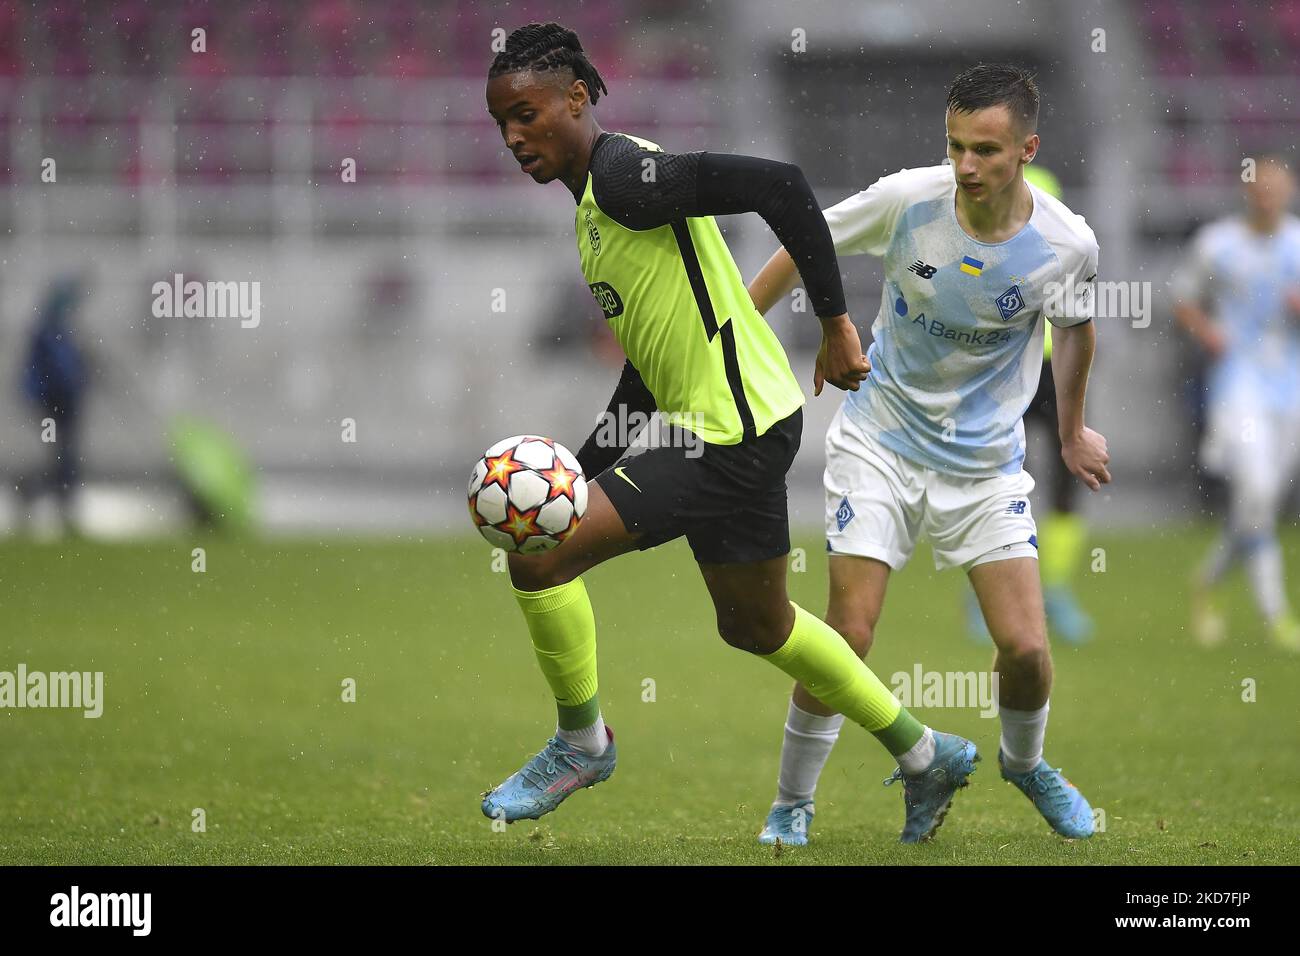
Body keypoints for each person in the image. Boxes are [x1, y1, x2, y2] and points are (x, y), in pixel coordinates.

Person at [480, 22, 978, 843]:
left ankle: (582, 744)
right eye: (503, 123)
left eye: (527, 114)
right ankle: (927, 751)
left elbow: (781, 185)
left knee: (538, 556)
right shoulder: (596, 213)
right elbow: (651, 364)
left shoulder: (624, 174)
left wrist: (835, 322)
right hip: (738, 423)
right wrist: (582, 465)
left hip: (724, 433)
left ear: (576, 97)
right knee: (758, 625)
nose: (515, 136)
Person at [747, 64, 1108, 845]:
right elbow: (804, 237)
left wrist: (1073, 431)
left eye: (986, 150)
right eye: (955, 148)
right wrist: (738, 337)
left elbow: (1077, 331)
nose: (967, 167)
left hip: (983, 464)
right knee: (849, 633)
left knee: (1026, 648)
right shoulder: (907, 200)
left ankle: (1024, 762)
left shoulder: (1065, 244)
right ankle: (791, 802)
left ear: (1027, 149)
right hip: (879, 438)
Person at [1173, 154, 1300, 653]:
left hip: (1289, 386)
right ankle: (1278, 616)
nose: (1268, 196)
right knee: (1258, 487)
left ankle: (1207, 579)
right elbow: (1183, 299)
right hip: (1237, 384)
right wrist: (1209, 333)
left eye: (1277, 188)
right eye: (1260, 188)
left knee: (1259, 504)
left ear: (1288, 192)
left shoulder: (1297, 243)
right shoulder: (1217, 243)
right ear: (1247, 191)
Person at [964, 163, 1093, 645]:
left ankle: (1054, 589)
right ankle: (986, 594)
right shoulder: (968, 182)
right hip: (1000, 363)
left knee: (1067, 479)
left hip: (1053, 361)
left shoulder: (1047, 183)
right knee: (992, 479)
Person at [21, 276, 88, 533]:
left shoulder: (58, 331)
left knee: (63, 456)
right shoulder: (50, 332)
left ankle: (58, 505)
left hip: (64, 402)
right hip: (54, 402)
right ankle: (41, 497)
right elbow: (57, 370)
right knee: (59, 456)